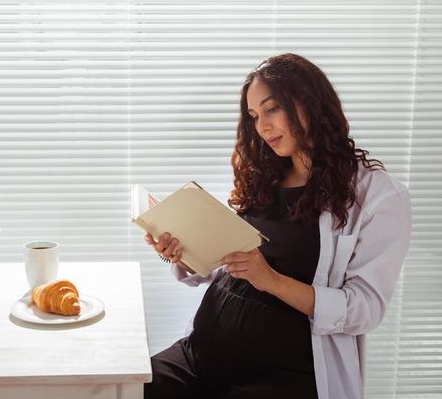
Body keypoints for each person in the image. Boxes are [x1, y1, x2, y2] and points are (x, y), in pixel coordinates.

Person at [143, 53, 412, 399]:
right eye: (255, 116)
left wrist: (270, 279)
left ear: (310, 104)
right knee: (123, 391)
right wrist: (180, 252)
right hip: (201, 353)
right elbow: (224, 261)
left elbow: (364, 309)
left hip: (279, 375)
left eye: (272, 110)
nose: (262, 126)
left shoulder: (378, 197)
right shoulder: (265, 175)